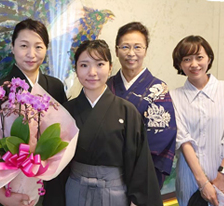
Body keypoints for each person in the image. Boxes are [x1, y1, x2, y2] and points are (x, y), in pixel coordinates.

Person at [44, 40, 163, 206]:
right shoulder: (65, 111)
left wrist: (138, 200)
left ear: (110, 67)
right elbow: (56, 165)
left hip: (114, 192)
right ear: (76, 69)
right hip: (75, 190)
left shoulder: (127, 112)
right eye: (84, 65)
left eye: (100, 64)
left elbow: (140, 163)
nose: (92, 72)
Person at [0, 18, 67, 206]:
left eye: (38, 47)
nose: (31, 54)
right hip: (5, 189)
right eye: (24, 46)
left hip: (44, 185)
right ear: (12, 47)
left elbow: (63, 137)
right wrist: (0, 194)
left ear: (46, 49)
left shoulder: (55, 87)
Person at [106, 22, 176, 188]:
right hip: (105, 175)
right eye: (125, 47)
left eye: (138, 47)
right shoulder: (105, 87)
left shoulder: (158, 90)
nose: (131, 53)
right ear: (116, 51)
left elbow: (159, 140)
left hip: (141, 173)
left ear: (145, 50)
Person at [170, 35, 224, 206]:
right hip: (189, 181)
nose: (194, 64)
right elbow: (183, 140)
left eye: (199, 57)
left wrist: (221, 176)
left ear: (209, 58)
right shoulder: (173, 97)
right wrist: (203, 183)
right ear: (179, 64)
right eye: (187, 59)